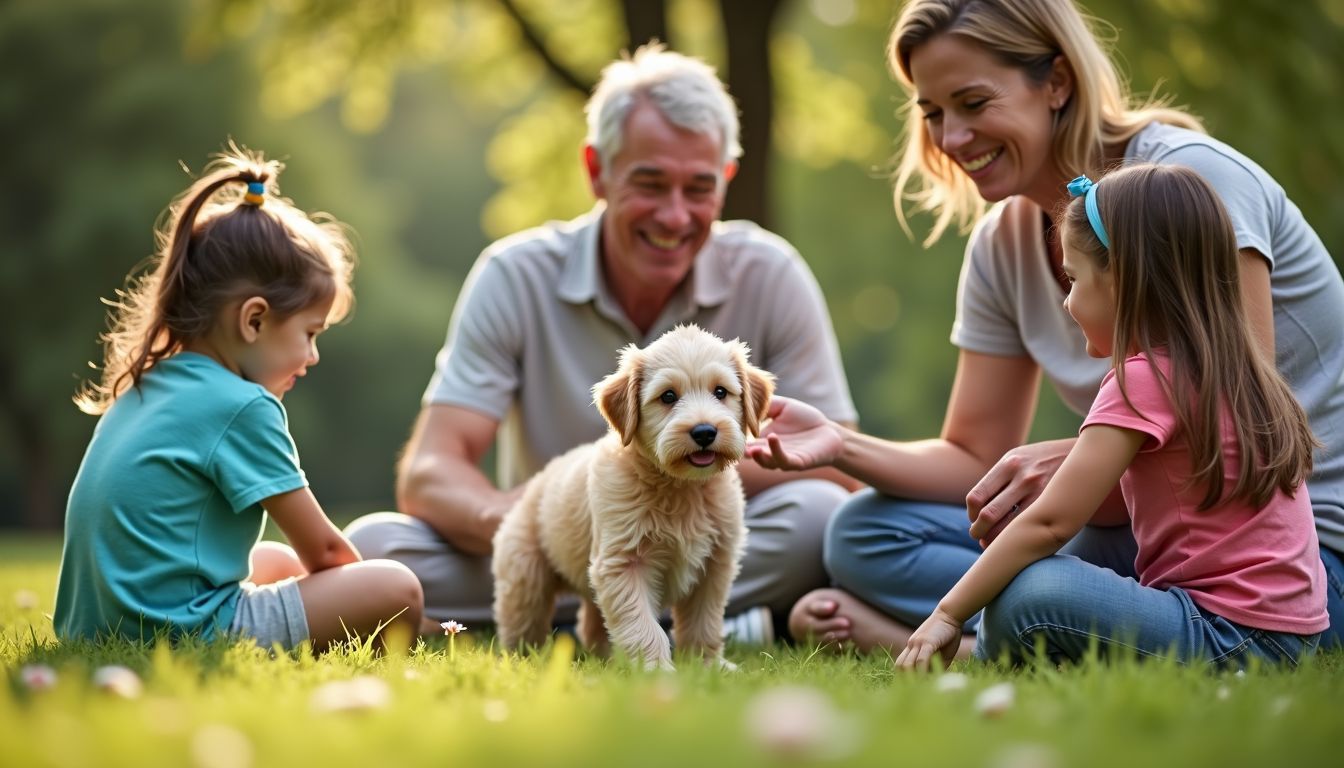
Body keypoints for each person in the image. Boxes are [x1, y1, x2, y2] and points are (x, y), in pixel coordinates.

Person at [750, 0, 1344, 656]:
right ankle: (1039, 623)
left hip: (1299, 556)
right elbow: (975, 455)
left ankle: (982, 636)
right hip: (1157, 537)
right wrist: (839, 445)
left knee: (1036, 579)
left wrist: (1072, 468)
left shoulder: (1188, 187)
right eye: (933, 114)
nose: (950, 139)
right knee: (866, 532)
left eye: (973, 103)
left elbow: (1231, 426)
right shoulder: (1001, 244)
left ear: (1057, 81)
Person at [344, 44, 860, 638]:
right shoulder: (514, 273)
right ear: (597, 170)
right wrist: (536, 529)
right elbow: (429, 470)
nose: (673, 216)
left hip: (709, 547)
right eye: (649, 183)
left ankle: (672, 618)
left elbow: (834, 466)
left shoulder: (772, 271)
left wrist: (691, 479)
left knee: (821, 518)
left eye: (699, 187)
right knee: (377, 545)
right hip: (546, 546)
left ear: (727, 179)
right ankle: (617, 611)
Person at [892, 163, 1326, 668]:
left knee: (1033, 589)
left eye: (1073, 279)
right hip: (1289, 635)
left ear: (1121, 279)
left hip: (1228, 635)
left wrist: (947, 612)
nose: (1067, 300)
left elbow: (1051, 521)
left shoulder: (1144, 379)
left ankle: (980, 667)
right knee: (1075, 552)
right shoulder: (1237, 366)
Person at [54, 147, 425, 652]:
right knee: (395, 587)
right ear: (253, 320)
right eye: (310, 334)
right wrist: (390, 614)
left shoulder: (150, 384)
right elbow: (327, 551)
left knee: (276, 563)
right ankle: (376, 664)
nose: (312, 357)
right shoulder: (241, 405)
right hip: (181, 633)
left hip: (97, 630)